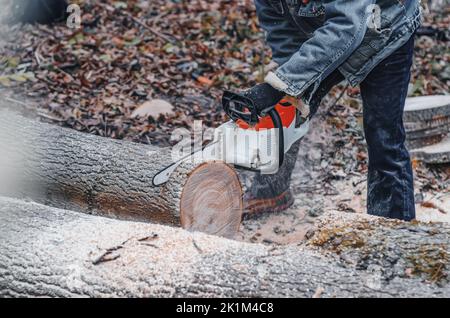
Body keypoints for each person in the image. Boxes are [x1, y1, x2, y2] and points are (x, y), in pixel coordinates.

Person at [236, 0, 423, 221]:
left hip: (386, 26)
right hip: (329, 34)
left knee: (383, 133)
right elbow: (281, 30)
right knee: (289, 105)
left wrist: (282, 84)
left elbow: (347, 25)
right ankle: (270, 191)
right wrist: (287, 87)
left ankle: (391, 226)